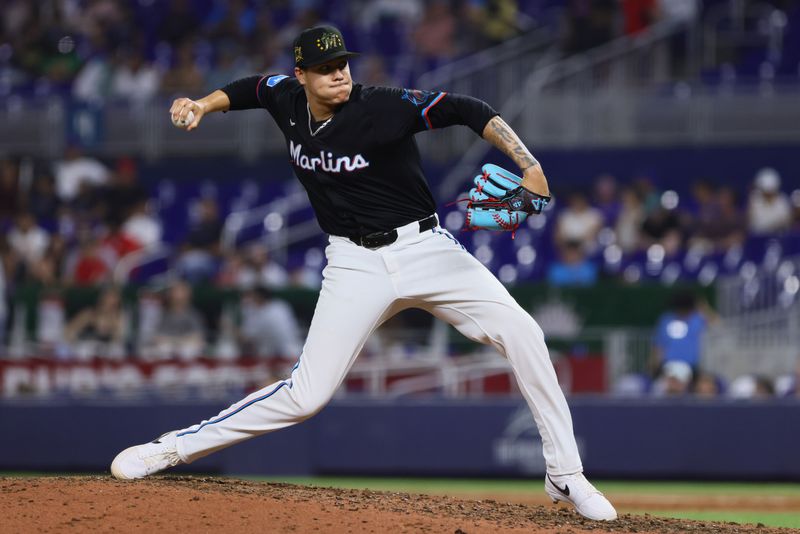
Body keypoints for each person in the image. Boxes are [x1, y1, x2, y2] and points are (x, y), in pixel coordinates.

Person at [111, 25, 616, 522]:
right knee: (306, 396)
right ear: (302, 74)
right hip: (353, 263)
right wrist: (202, 104)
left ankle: (565, 473)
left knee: (524, 333)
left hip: (425, 249)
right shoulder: (286, 99)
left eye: (343, 64)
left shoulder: (382, 106)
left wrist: (527, 163)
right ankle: (173, 449)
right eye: (326, 68)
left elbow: (469, 109)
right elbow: (250, 90)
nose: (339, 74)